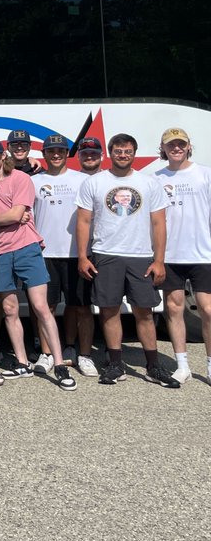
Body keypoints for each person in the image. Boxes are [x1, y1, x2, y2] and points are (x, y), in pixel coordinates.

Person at [76, 133, 179, 388]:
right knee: (109, 310)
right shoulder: (94, 183)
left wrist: (159, 260)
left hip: (141, 256)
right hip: (106, 254)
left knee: (144, 312)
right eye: (119, 151)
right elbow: (84, 221)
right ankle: (115, 364)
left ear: (134, 153)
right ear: (111, 153)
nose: (123, 155)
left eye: (128, 151)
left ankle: (154, 366)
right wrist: (82, 256)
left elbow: (158, 223)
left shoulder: (148, 183)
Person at [0, 138, 75, 389]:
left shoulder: (20, 178)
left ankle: (59, 363)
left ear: (2, 156)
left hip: (27, 246)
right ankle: (21, 362)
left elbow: (16, 214)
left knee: (41, 307)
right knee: (9, 309)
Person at [31, 135, 98, 378]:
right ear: (44, 154)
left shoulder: (83, 180)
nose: (56, 154)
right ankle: (47, 354)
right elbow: (29, 217)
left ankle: (84, 354)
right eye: (51, 150)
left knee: (81, 307)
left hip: (78, 254)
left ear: (66, 153)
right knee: (45, 307)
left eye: (60, 150)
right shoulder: (34, 181)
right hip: (45, 253)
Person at [154, 127, 211, 384]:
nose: (176, 148)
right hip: (170, 255)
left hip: (203, 254)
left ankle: (210, 365)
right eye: (170, 145)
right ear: (163, 149)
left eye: (181, 144)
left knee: (208, 310)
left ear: (189, 146)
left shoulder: (204, 175)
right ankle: (182, 365)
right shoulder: (155, 178)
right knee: (174, 308)